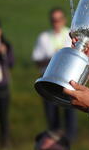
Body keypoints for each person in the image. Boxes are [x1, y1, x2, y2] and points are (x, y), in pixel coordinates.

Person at [32, 8, 77, 140]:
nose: (56, 22)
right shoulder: (44, 37)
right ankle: (53, 140)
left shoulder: (72, 35)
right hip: (49, 80)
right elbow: (37, 61)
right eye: (53, 20)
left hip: (68, 81)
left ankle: (70, 141)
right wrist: (54, 57)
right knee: (51, 114)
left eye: (58, 19)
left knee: (70, 112)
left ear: (64, 20)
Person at [0, 19, 14, 148]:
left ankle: (5, 142)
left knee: (3, 115)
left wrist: (3, 53)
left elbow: (11, 63)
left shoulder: (6, 46)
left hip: (2, 85)